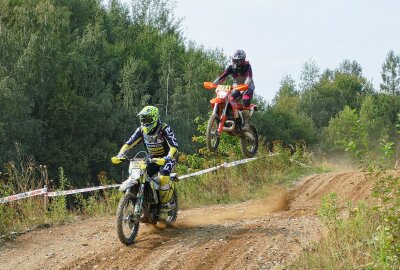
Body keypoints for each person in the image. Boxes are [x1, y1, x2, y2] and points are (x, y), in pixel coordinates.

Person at [111, 106, 178, 220]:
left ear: (155, 118)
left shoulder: (164, 128)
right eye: (143, 120)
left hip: (167, 158)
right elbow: (129, 143)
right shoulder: (141, 130)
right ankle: (145, 202)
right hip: (152, 158)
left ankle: (164, 205)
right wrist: (120, 154)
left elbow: (174, 146)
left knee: (163, 178)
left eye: (147, 119)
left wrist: (168, 157)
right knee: (140, 173)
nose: (144, 122)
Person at [213, 49, 255, 129]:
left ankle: (245, 123)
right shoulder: (231, 67)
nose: (235, 62)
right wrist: (214, 83)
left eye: (237, 61)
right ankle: (233, 117)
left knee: (245, 101)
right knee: (230, 99)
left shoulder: (247, 66)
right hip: (236, 86)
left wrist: (245, 85)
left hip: (248, 86)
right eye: (234, 60)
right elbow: (223, 76)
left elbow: (249, 78)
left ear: (242, 61)